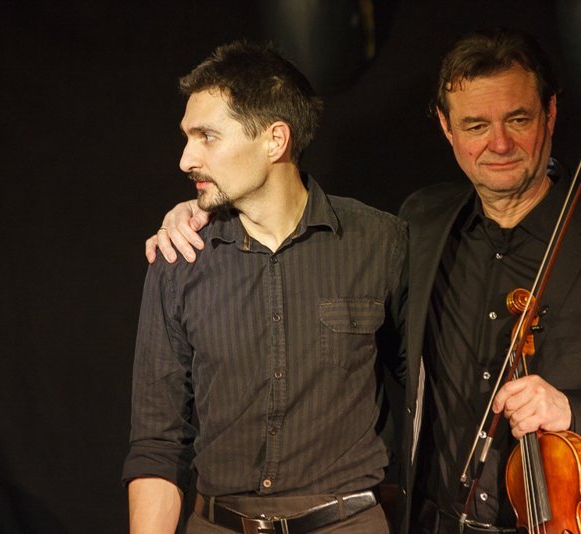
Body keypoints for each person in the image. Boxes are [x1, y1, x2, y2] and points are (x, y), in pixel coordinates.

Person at [145, 29, 581, 534]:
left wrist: (572, 411)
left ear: (550, 114)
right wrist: (202, 209)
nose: (499, 143)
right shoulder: (419, 225)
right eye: (475, 125)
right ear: (446, 127)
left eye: (518, 119)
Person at [123, 40, 406, 534]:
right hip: (219, 521)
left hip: (346, 521)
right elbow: (157, 442)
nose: (185, 159)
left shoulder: (379, 241)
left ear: (275, 140)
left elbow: (429, 389)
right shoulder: (179, 257)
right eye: (187, 137)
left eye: (207, 137)